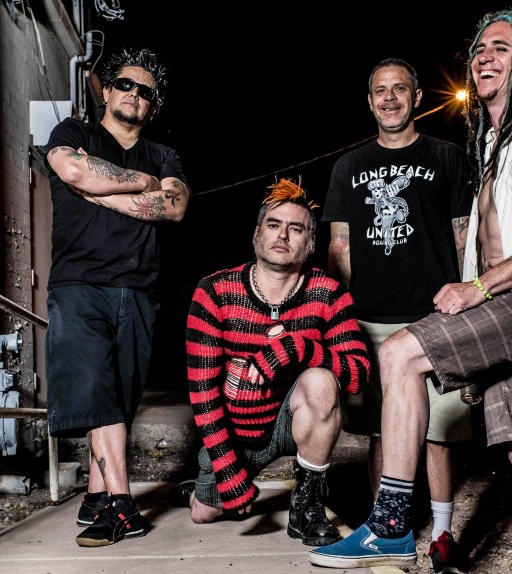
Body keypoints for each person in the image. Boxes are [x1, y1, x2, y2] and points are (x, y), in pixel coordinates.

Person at [310, 9, 512, 574]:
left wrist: (477, 287)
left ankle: (391, 527)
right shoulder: (492, 145)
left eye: (502, 48)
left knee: (400, 355)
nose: (485, 56)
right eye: (479, 49)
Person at [321, 57, 474, 573]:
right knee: (383, 432)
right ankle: (386, 529)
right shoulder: (348, 166)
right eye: (381, 90)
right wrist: (339, 312)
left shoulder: (447, 157)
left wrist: (471, 298)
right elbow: (339, 246)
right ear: (370, 102)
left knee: (439, 433)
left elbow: (463, 237)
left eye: (399, 89)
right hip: (368, 318)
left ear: (416, 97)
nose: (390, 98)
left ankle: (444, 533)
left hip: (434, 316)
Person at [167, 177, 370, 548]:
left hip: (287, 424)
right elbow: (203, 392)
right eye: (274, 225)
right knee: (204, 514)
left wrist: (298, 347)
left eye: (296, 229)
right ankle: (195, 492)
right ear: (256, 234)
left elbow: (357, 374)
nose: (283, 235)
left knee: (321, 381)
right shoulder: (215, 291)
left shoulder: (328, 292)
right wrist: (228, 470)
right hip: (234, 430)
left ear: (311, 244)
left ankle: (306, 506)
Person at [44, 46, 191, 547]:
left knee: (120, 397)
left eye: (145, 91)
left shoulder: (164, 155)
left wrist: (105, 192)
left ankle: (95, 494)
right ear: (106, 91)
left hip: (138, 288)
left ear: (153, 106)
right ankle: (122, 505)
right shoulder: (74, 133)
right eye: (125, 85)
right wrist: (142, 185)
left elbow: (174, 207)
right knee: (95, 386)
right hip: (79, 284)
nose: (134, 94)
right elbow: (75, 172)